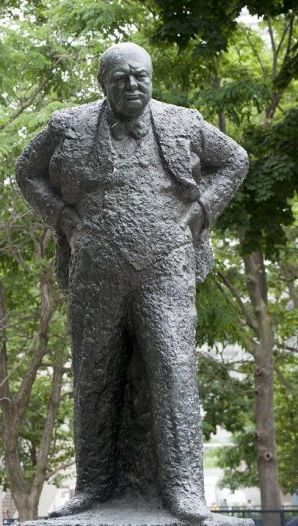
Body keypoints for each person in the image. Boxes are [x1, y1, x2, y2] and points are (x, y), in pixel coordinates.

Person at [16, 43, 248, 525]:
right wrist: (64, 219)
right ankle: (93, 487)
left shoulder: (183, 122)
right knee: (95, 375)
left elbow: (235, 160)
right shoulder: (69, 124)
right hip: (96, 271)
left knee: (173, 368)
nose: (132, 85)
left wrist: (200, 214)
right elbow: (27, 172)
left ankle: (184, 489)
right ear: (104, 83)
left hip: (165, 267)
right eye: (120, 78)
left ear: (151, 77)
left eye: (140, 76)